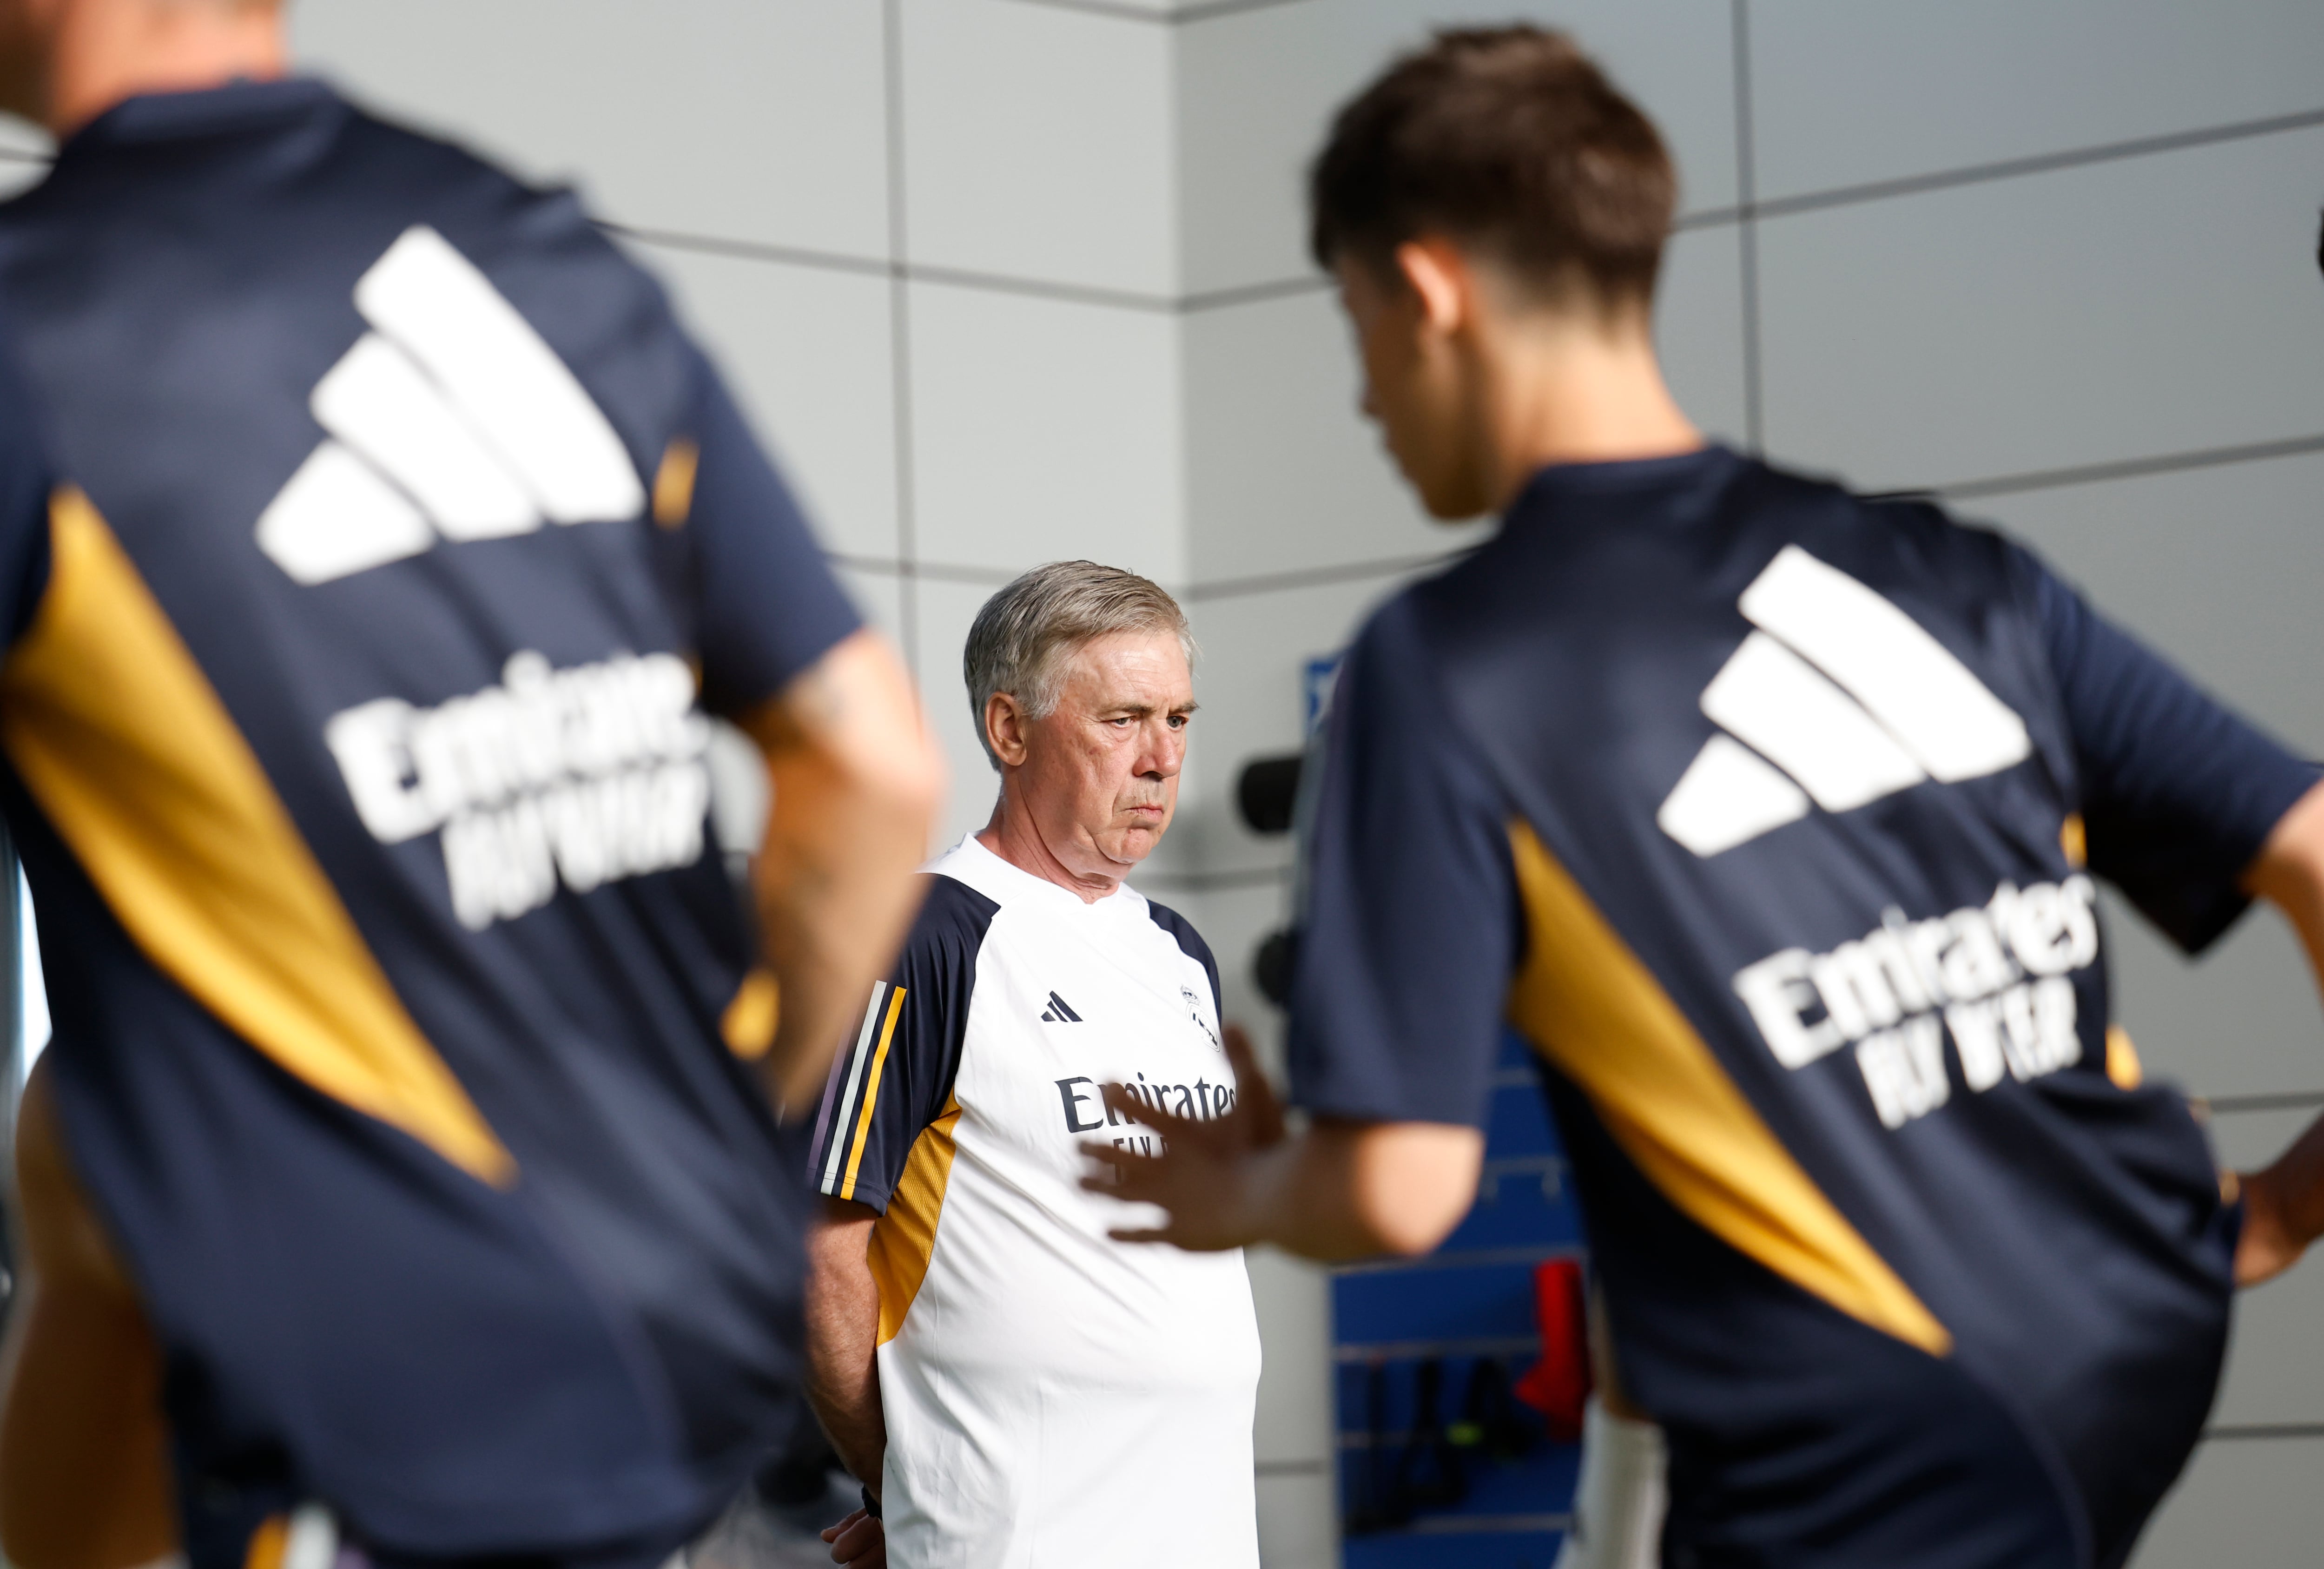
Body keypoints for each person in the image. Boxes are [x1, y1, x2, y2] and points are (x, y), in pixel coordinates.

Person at [1088, 26, 2324, 1569]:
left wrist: (1243, 1189)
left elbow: (1398, 1188)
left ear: (1427, 292)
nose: (1362, 400)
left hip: (1879, 1430)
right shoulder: (1943, 569)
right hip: (2142, 1316)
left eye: (1354, 326)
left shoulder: (1449, 667)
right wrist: (2270, 1209)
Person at [0, 2, 944, 1567]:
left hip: (381, 1375)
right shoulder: (544, 257)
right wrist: (702, 1122)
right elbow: (872, 763)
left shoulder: (43, 332)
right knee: (88, 1149)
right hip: (677, 1323)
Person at [806, 562, 1259, 1569]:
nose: (1161, 759)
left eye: (1180, 719)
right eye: (1123, 719)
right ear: (1009, 731)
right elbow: (815, 1253)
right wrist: (904, 1481)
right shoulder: (918, 933)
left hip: (1208, 1529)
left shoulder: (1182, 952)